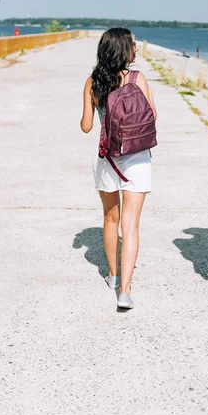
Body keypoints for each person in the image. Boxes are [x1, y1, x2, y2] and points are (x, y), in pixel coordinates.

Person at [80, 28, 157, 310]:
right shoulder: (138, 78)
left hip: (107, 159)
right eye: (133, 44)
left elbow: (87, 126)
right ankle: (125, 290)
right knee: (131, 224)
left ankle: (112, 275)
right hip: (137, 158)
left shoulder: (93, 81)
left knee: (111, 219)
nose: (136, 47)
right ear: (126, 49)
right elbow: (153, 117)